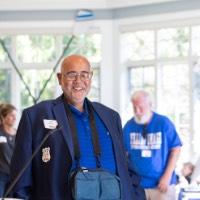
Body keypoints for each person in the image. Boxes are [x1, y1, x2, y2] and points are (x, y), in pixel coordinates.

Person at [10, 54, 146, 200]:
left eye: (84, 75)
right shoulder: (36, 116)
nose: (78, 81)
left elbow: (126, 167)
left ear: (91, 77)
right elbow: (21, 178)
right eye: (71, 74)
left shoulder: (110, 116)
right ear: (59, 78)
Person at [123, 90, 182, 200]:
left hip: (162, 185)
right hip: (137, 187)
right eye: (134, 108)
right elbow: (123, 155)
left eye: (141, 107)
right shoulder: (129, 126)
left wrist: (166, 177)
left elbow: (176, 149)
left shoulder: (163, 123)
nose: (137, 111)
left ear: (150, 105)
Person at [0, 103, 17, 197]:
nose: (14, 118)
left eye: (15, 115)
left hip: (14, 176)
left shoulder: (19, 133)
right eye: (11, 115)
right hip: (1, 175)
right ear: (3, 116)